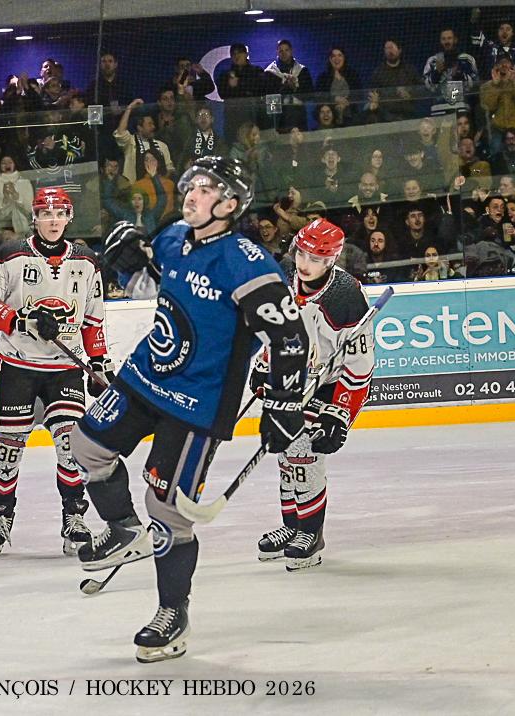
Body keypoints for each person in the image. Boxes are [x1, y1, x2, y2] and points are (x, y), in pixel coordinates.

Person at [71, 157, 310, 663]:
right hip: (145, 376)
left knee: (168, 511)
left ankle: (171, 613)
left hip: (197, 403)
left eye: (206, 189)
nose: (192, 195)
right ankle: (123, 528)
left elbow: (290, 337)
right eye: (192, 186)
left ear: (230, 204)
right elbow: (158, 288)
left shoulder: (248, 263)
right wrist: (129, 265)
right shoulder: (174, 237)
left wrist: (285, 402)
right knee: (85, 447)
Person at [0, 187, 111, 557]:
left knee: (70, 442)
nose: (53, 220)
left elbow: (93, 318)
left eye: (60, 213)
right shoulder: (9, 254)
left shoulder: (87, 261)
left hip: (65, 368)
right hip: (17, 365)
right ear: (34, 217)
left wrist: (99, 361)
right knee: (10, 445)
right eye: (46, 214)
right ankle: (2, 516)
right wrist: (21, 319)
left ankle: (74, 516)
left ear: (69, 217)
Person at [250, 219, 372, 573]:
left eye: (316, 259)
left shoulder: (346, 296)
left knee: (304, 451)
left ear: (331, 260)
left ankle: (310, 533)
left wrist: (340, 413)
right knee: (285, 452)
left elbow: (360, 366)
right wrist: (265, 364)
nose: (305, 263)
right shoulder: (286, 280)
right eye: (302, 254)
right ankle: (291, 526)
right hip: (296, 376)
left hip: (333, 383)